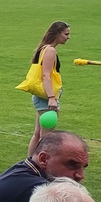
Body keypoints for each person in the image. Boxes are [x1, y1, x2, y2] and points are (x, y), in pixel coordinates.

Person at [27, 20, 71, 156]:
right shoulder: (50, 50)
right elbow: (46, 75)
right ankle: (40, 164)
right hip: (46, 98)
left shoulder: (44, 48)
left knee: (38, 134)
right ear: (57, 34)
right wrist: (52, 98)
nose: (68, 37)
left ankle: (30, 161)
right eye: (66, 34)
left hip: (42, 98)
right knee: (46, 137)